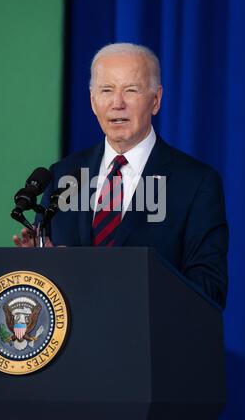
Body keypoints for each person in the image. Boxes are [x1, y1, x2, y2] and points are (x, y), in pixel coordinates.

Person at [13, 43, 229, 308]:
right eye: (106, 90)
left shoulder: (197, 183)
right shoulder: (63, 175)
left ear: (156, 100)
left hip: (151, 344)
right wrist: (39, 262)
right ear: (93, 102)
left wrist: (122, 282)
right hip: (75, 345)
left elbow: (209, 289)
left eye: (131, 90)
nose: (117, 104)